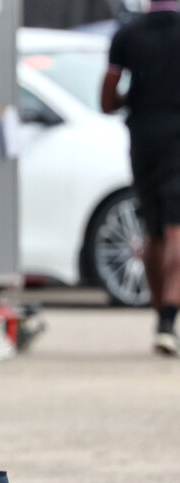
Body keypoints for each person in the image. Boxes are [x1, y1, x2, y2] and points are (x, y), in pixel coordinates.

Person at [101, 1, 180, 355]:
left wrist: (132, 98)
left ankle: (160, 319)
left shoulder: (127, 35)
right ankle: (168, 317)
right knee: (178, 229)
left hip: (144, 142)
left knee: (152, 230)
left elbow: (106, 99)